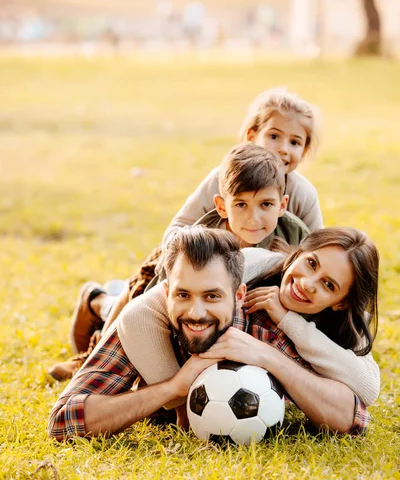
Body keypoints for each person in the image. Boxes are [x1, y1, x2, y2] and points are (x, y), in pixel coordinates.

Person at [47, 226, 377, 442]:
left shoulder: (272, 326)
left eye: (213, 296)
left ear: (239, 295)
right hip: (142, 305)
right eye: (311, 264)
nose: (307, 283)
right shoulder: (155, 317)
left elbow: (355, 416)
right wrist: (174, 389)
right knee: (117, 315)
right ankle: (102, 300)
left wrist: (271, 360)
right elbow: (64, 421)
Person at [49, 140, 310, 380]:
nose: (254, 218)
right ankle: (95, 321)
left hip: (230, 309)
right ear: (221, 207)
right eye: (241, 205)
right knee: (131, 300)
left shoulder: (295, 234)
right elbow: (152, 309)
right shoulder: (201, 242)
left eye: (266, 205)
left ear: (283, 204)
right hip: (166, 285)